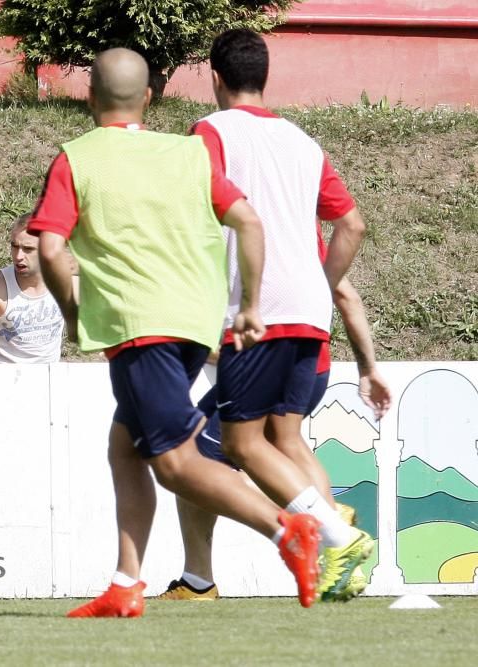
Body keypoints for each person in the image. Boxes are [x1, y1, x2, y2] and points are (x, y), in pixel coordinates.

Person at [30, 47, 324, 617]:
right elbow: (248, 219)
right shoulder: (188, 152)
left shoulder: (77, 157)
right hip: (193, 322)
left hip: (141, 325)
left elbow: (49, 245)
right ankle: (125, 582)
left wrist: (70, 309)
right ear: (149, 97)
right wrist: (250, 303)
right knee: (126, 447)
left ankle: (289, 530)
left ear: (89, 98)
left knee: (174, 462)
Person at [193, 28, 373, 603]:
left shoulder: (210, 131)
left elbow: (202, 209)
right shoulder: (304, 142)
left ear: (214, 77)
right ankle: (344, 556)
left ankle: (336, 537)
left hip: (257, 310)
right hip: (309, 312)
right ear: (264, 76)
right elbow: (352, 225)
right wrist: (320, 287)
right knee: (285, 437)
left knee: (240, 446)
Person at [160, 277, 393, 601]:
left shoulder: (245, 229)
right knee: (285, 441)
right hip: (307, 359)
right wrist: (367, 368)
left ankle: (327, 524)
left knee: (193, 460)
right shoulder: (296, 234)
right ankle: (334, 532)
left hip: (267, 357)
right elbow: (345, 293)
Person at [0, 213, 71, 363]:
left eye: (28, 249)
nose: (18, 256)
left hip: (48, 378)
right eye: (14, 246)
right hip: (5, 378)